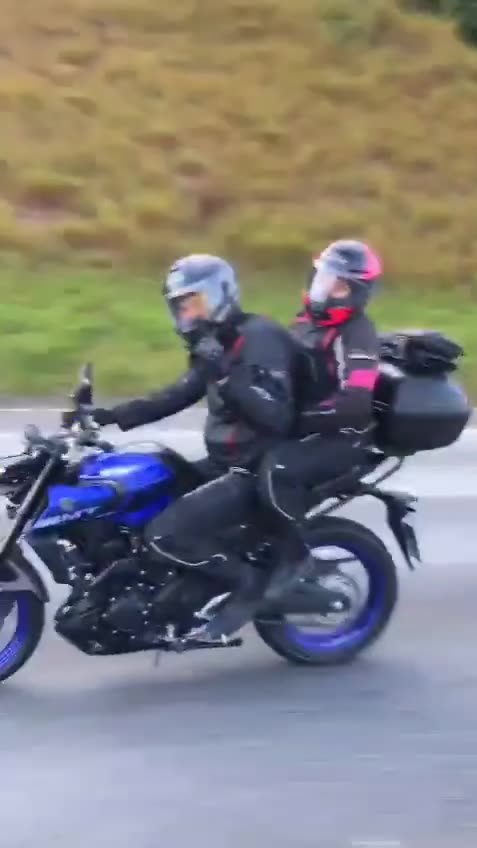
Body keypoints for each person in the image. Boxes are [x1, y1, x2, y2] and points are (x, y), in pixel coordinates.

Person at [63, 254, 305, 646]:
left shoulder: (260, 338)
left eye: (193, 303)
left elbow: (275, 415)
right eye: (180, 307)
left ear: (220, 295)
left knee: (165, 534)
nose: (186, 314)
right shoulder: (215, 347)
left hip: (256, 467)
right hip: (223, 461)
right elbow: (176, 395)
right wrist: (108, 416)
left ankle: (247, 583)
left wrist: (226, 374)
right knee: (146, 498)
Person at [257, 239, 383, 601]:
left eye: (337, 285)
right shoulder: (306, 323)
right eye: (323, 279)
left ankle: (293, 561)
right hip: (306, 428)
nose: (324, 289)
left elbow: (355, 401)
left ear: (356, 294)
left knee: (276, 471)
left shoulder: (356, 333)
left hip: (341, 437)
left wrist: (295, 420)